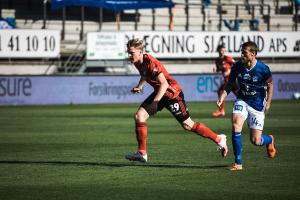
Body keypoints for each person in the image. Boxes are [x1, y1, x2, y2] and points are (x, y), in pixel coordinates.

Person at [125, 38, 228, 163]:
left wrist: (155, 102)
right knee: (139, 116)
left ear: (140, 52)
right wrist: (140, 86)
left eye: (132, 53)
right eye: (128, 53)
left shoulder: (151, 62)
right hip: (160, 93)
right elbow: (145, 74)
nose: (129, 55)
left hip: (172, 93)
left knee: (188, 125)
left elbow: (164, 84)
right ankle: (142, 153)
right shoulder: (137, 62)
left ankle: (219, 139)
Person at [217, 41, 276, 171]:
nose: (242, 55)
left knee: (256, 141)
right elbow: (230, 83)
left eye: (244, 53)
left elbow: (270, 86)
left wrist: (269, 103)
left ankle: (269, 140)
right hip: (242, 99)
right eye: (241, 52)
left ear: (253, 54)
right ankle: (238, 163)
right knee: (236, 123)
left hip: (257, 104)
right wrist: (223, 96)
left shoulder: (263, 69)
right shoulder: (237, 66)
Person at [212, 44, 235, 117]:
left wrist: (230, 71)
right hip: (226, 80)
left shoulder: (227, 58)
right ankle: (221, 111)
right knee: (220, 91)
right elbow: (220, 69)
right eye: (221, 50)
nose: (222, 51)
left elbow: (236, 65)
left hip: (232, 79)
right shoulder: (217, 60)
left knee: (238, 94)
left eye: (224, 50)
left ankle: (221, 111)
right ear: (218, 50)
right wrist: (216, 70)